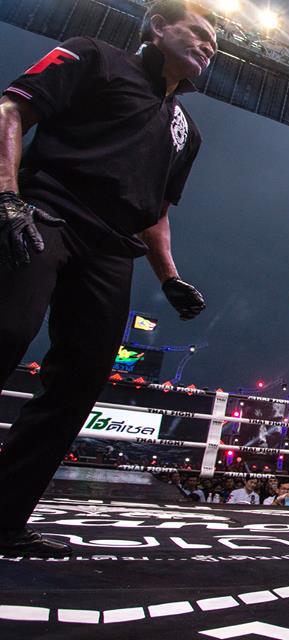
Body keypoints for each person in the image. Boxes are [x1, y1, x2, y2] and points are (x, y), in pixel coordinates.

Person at [0, 0, 216, 557]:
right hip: (46, 210)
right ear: (158, 26)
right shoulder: (92, 55)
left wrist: (169, 277)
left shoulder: (186, 130)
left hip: (112, 247)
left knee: (82, 379)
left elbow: (157, 212)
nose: (208, 46)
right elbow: (11, 110)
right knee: (7, 329)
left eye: (215, 44)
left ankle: (4, 519)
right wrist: (7, 196)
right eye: (198, 32)